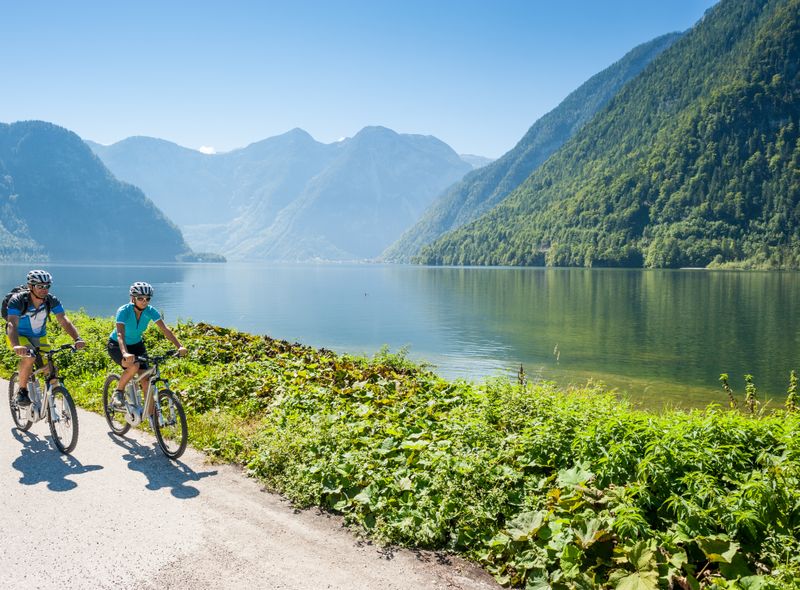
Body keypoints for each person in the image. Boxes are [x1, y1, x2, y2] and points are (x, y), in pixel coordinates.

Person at [6, 269, 86, 406]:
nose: (44, 290)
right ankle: (22, 391)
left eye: (47, 286)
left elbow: (64, 320)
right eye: (40, 286)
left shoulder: (51, 300)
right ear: (31, 286)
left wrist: (77, 338)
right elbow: (12, 323)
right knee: (29, 357)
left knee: (50, 367)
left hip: (40, 337)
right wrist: (16, 345)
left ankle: (53, 395)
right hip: (19, 336)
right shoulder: (18, 300)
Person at [107, 282, 187, 409]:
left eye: (147, 299)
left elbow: (165, 329)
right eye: (140, 298)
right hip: (117, 345)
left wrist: (179, 346)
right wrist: (125, 353)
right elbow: (120, 334)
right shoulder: (124, 311)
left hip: (137, 345)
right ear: (133, 298)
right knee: (133, 366)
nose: (144, 302)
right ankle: (119, 392)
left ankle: (151, 417)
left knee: (146, 380)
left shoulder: (150, 311)